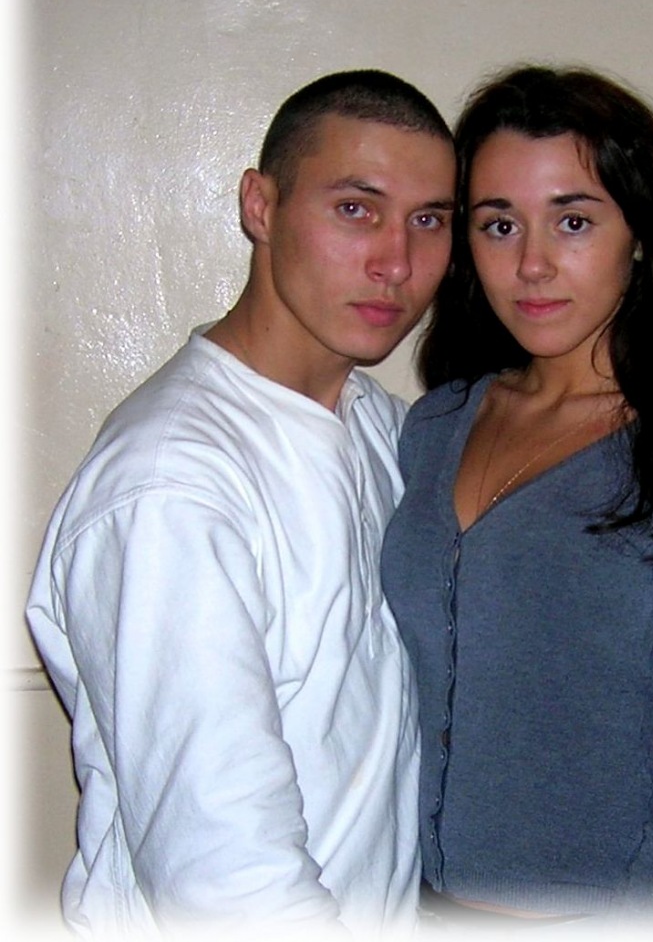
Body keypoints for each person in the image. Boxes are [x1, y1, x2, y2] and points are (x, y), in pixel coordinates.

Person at [26, 69, 456, 939]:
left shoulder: (381, 428)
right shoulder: (172, 489)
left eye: (428, 221)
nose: (396, 263)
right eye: (355, 209)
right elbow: (224, 883)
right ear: (260, 206)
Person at [381, 65, 653, 933]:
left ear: (639, 235)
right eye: (499, 224)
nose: (532, 264)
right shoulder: (434, 425)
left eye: (573, 220)